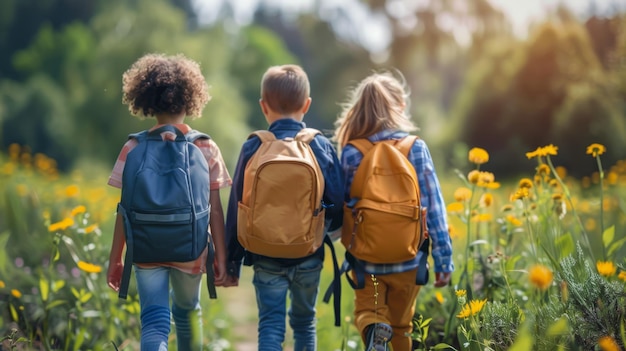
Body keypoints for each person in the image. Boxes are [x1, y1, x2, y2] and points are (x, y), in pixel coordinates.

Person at [106, 53, 232, 350]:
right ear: (191, 99)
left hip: (146, 248)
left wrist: (116, 258)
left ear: (146, 99)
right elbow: (215, 209)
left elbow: (123, 210)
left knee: (154, 321)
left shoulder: (133, 146)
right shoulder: (205, 146)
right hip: (191, 249)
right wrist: (221, 256)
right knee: (188, 313)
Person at [223, 64, 344, 351]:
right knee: (304, 323)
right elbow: (337, 199)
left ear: (264, 107)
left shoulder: (254, 146)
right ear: (307, 105)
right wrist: (325, 224)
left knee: (270, 325)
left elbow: (238, 204)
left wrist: (231, 261)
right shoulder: (319, 145)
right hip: (308, 253)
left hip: (265, 255)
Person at [333, 71, 454, 351]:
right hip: (409, 259)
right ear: (400, 106)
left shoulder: (352, 152)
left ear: (359, 110)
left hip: (366, 261)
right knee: (402, 326)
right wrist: (443, 259)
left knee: (368, 312)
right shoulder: (416, 148)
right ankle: (390, 337)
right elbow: (434, 207)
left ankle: (375, 328)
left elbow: (343, 207)